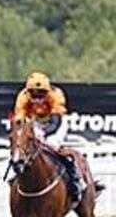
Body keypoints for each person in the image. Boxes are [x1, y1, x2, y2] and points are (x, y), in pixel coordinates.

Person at [12, 71, 85, 202]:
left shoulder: (56, 95)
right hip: (35, 121)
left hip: (56, 123)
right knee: (24, 147)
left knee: (51, 145)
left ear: (47, 92)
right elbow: (20, 120)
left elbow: (55, 122)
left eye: (41, 94)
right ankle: (17, 176)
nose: (37, 98)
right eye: (34, 94)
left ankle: (76, 182)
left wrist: (43, 137)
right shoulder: (22, 97)